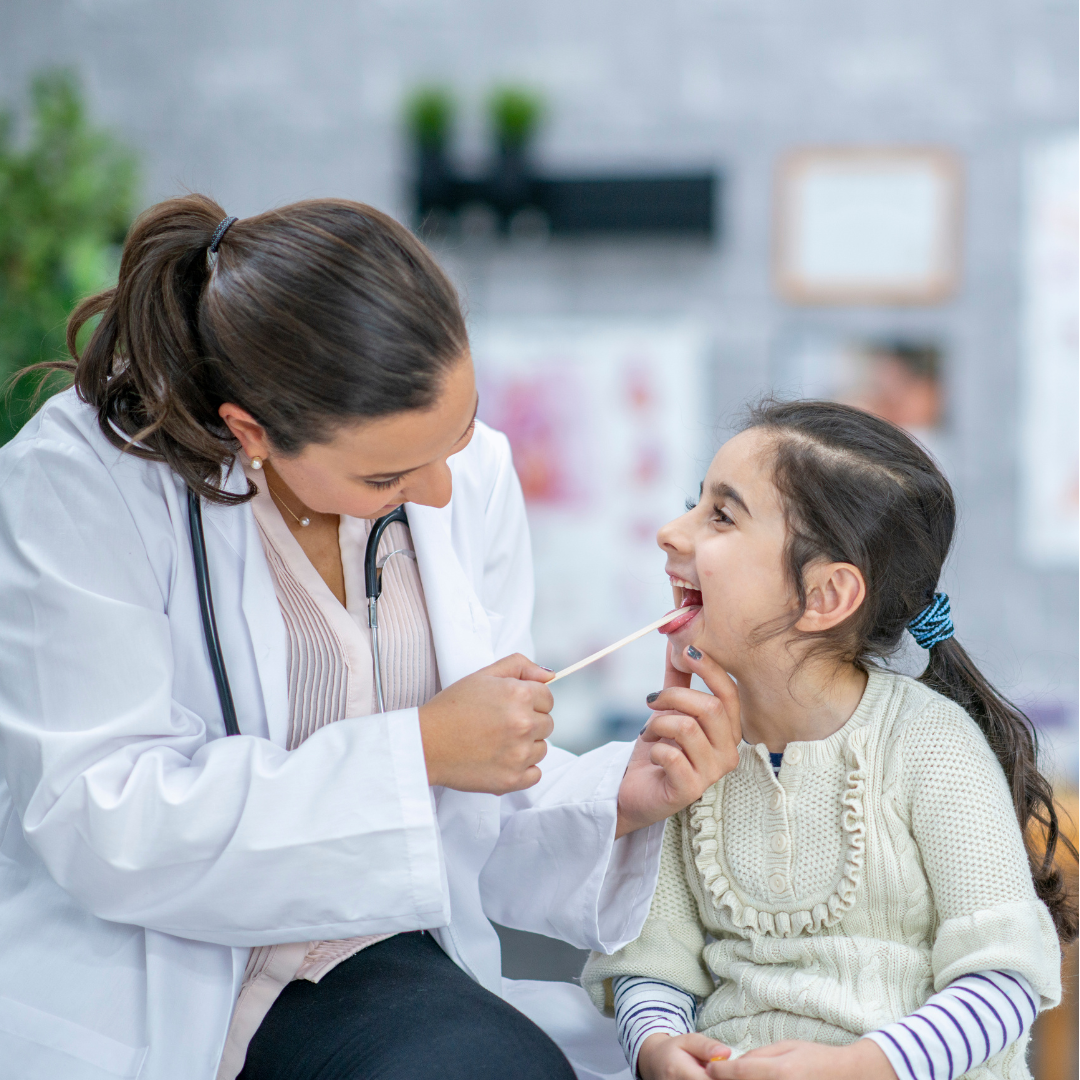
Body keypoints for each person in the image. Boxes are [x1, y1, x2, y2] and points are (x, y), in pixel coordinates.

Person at [0, 194, 740, 1080]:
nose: (437, 491)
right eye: (388, 473)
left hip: (371, 950)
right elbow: (95, 815)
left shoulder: (473, 477)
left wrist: (619, 793)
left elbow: (477, 815)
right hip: (159, 972)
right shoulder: (81, 482)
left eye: (457, 438)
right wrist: (417, 748)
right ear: (252, 432)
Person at [583, 399, 1077, 1080]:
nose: (671, 533)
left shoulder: (932, 746)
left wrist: (860, 1066)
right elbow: (653, 963)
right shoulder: (684, 758)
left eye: (720, 516)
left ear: (825, 597)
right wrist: (657, 1046)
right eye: (693, 505)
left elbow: (1004, 985)